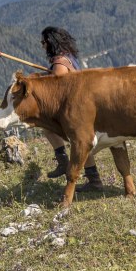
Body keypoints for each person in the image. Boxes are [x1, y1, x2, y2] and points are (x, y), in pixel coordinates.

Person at [40, 26, 103, 192]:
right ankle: (94, 180)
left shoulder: (59, 63)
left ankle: (62, 160)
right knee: (80, 143)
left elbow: (57, 89)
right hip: (82, 107)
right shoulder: (69, 57)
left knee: (48, 128)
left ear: (51, 42)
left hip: (73, 110)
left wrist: (44, 79)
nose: (42, 46)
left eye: (43, 42)